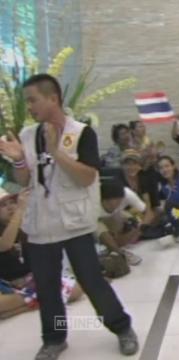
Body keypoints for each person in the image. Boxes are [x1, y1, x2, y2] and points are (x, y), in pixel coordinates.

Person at [0, 74, 137, 359]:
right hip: (39, 225)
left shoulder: (82, 133)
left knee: (91, 281)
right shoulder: (27, 135)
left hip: (73, 224)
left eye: (33, 100)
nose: (29, 107)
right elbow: (24, 179)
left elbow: (87, 177)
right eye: (26, 101)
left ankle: (121, 327)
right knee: (47, 285)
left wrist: (55, 151)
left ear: (53, 98)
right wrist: (18, 159)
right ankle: (54, 339)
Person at [0, 188, 83, 320]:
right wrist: (19, 212)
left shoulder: (26, 224)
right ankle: (36, 300)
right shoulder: (14, 223)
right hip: (6, 286)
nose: (10, 207)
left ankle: (26, 305)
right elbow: (5, 245)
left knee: (77, 289)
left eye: (12, 202)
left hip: (31, 282)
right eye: (3, 205)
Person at [97, 181, 145, 266]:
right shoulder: (92, 202)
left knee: (132, 222)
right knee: (105, 235)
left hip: (115, 215)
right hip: (94, 220)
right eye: (113, 202)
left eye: (119, 201)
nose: (117, 204)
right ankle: (120, 254)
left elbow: (145, 211)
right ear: (103, 200)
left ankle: (117, 248)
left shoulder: (127, 194)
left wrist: (139, 227)